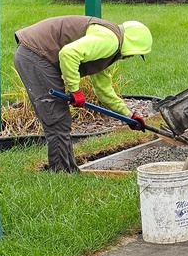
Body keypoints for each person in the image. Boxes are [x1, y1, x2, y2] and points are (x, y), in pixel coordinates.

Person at [13, 15, 153, 172]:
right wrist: (75, 90)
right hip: (35, 54)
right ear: (133, 43)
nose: (131, 57)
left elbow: (104, 89)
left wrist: (128, 115)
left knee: (59, 118)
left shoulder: (108, 42)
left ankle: (69, 170)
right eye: (135, 53)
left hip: (38, 54)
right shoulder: (110, 41)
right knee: (56, 117)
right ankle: (61, 173)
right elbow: (68, 54)